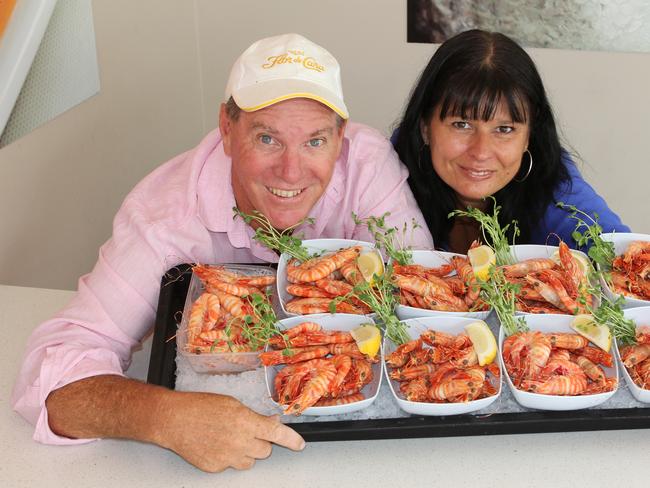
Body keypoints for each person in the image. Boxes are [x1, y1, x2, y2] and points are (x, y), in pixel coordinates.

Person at [12, 33, 433, 473]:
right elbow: (49, 378)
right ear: (227, 130)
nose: (291, 171)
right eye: (267, 138)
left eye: (315, 141)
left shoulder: (366, 162)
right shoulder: (164, 218)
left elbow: (418, 306)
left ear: (341, 137)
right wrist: (165, 416)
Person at [393, 29, 630, 254]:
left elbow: (616, 252)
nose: (481, 151)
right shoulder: (382, 169)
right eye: (461, 125)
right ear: (425, 128)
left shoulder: (552, 181)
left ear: (529, 136)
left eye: (504, 129)